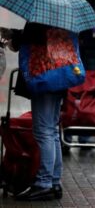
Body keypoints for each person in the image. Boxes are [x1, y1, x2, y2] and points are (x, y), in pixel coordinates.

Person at [5, 23, 77, 201]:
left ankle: (44, 183)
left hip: (45, 77)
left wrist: (14, 36)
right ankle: (53, 182)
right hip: (57, 77)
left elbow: (36, 37)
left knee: (43, 131)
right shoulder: (62, 15)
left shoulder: (43, 15)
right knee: (51, 131)